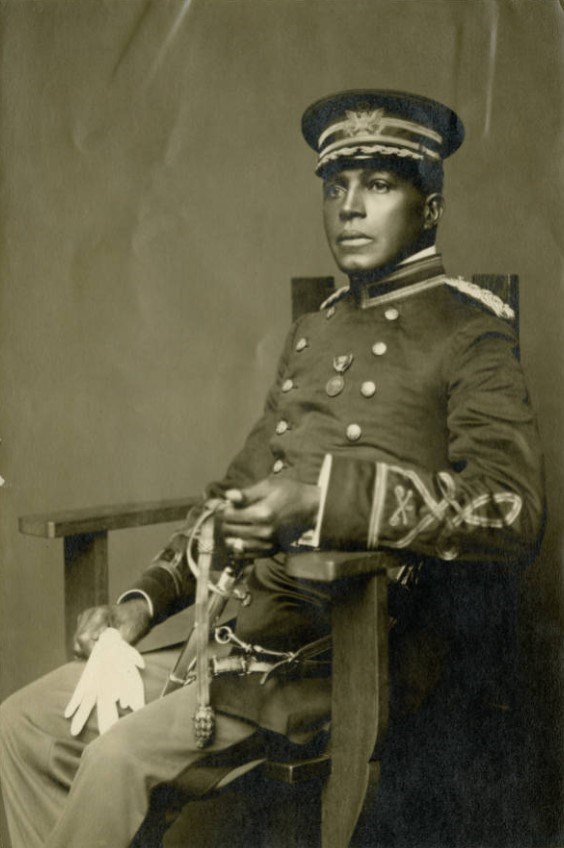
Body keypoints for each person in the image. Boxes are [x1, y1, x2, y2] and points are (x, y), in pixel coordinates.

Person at [0, 90, 545, 848]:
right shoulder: (313, 332)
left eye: (379, 185)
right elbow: (230, 498)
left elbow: (510, 510)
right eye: (335, 187)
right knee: (21, 727)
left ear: (431, 208)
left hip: (346, 657)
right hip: (235, 642)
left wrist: (320, 502)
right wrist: (140, 603)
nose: (349, 208)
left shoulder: (469, 334)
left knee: (116, 760)